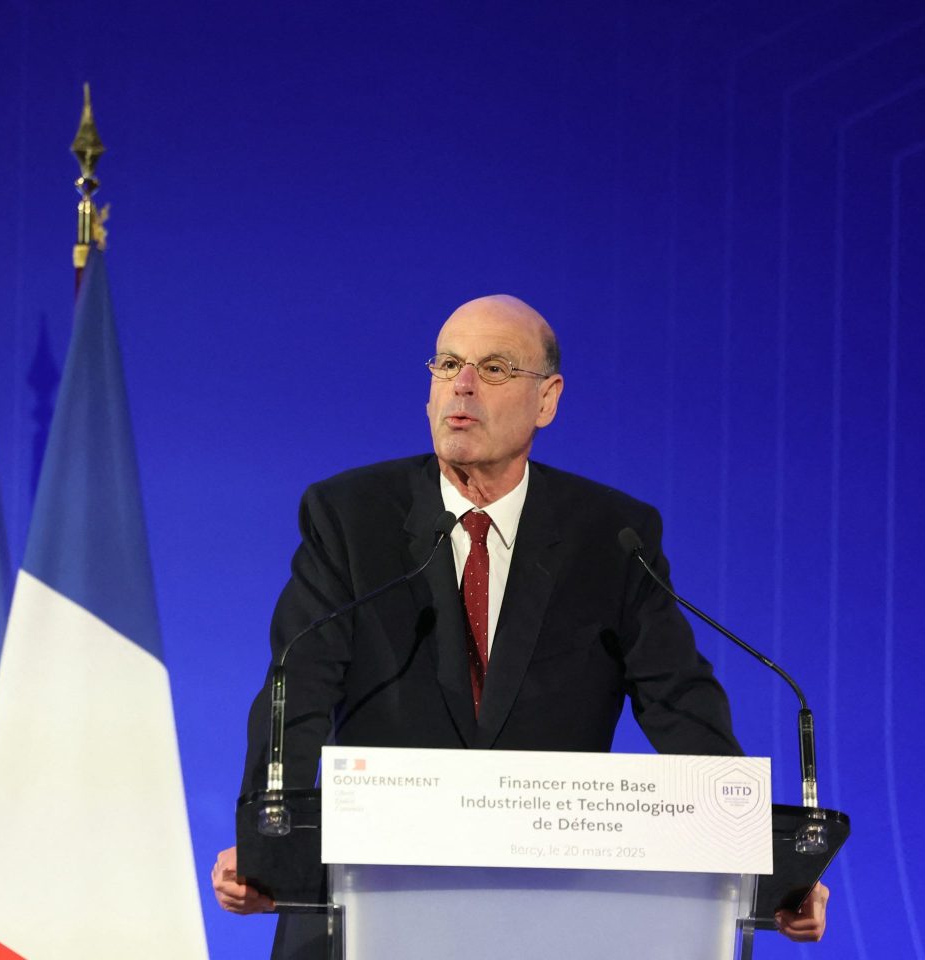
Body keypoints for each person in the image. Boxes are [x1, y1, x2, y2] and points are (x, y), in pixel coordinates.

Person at [211, 295, 829, 951]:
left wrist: (768, 868)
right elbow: (298, 688)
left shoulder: (611, 536)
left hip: (547, 907)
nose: (463, 385)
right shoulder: (349, 514)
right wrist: (268, 849)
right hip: (367, 898)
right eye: (448, 363)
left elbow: (682, 705)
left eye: (494, 368)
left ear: (547, 400)